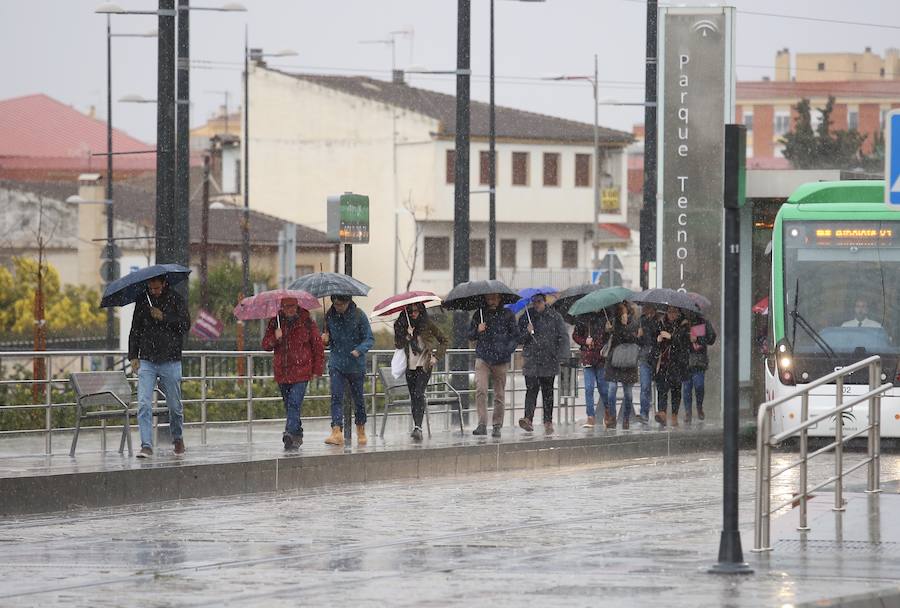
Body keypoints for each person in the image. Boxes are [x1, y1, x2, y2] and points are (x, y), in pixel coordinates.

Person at [128, 276, 191, 458]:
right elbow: (135, 329)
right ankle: (146, 444)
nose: (154, 291)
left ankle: (177, 437)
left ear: (164, 284)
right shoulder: (142, 301)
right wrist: (133, 355)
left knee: (174, 405)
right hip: (147, 359)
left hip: (170, 359)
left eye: (157, 288)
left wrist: (163, 317)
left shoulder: (176, 299)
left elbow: (185, 325)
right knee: (143, 403)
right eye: (151, 288)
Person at [262, 297, 325, 450]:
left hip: (302, 371)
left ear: (297, 306)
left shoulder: (307, 322)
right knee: (290, 406)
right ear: (281, 308)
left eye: (293, 306)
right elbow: (265, 345)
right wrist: (275, 338)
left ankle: (289, 433)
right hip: (282, 372)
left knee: (294, 403)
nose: (290, 309)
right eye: (287, 307)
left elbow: (317, 346)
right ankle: (297, 433)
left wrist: (317, 370)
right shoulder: (275, 322)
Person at [322, 295, 374, 446]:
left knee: (358, 399)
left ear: (348, 302)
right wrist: (325, 340)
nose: (338, 307)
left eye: (341, 304)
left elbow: (369, 338)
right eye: (335, 304)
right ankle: (336, 431)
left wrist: (360, 349)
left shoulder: (359, 315)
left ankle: (361, 430)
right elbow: (328, 341)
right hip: (336, 362)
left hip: (356, 365)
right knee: (336, 397)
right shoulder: (329, 316)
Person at [516, 294, 570, 435]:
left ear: (544, 302)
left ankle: (548, 421)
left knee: (548, 392)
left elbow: (563, 336)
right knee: (531, 389)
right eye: (534, 302)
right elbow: (518, 338)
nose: (536, 305)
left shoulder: (555, 317)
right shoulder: (526, 317)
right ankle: (528, 419)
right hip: (531, 360)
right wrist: (527, 332)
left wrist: (562, 355)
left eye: (539, 302)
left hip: (549, 359)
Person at [394, 302, 447, 442]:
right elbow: (398, 344)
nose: (413, 314)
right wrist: (407, 336)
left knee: (419, 393)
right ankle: (417, 427)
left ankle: (418, 427)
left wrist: (436, 357)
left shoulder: (427, 324)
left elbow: (444, 340)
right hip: (409, 366)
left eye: (416, 311)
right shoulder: (402, 326)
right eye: (411, 312)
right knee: (413, 396)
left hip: (424, 365)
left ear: (421, 311)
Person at [468, 293, 519, 438]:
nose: (492, 301)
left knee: (499, 394)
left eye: (495, 298)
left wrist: (506, 350)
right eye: (489, 298)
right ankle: (482, 424)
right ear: (485, 299)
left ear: (500, 299)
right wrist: (477, 330)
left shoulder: (508, 314)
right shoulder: (479, 314)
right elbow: (470, 335)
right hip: (483, 357)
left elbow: (515, 336)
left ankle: (497, 425)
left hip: (501, 359)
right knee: (481, 390)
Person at [653, 305, 691, 427]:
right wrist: (658, 340)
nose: (671, 314)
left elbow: (684, 343)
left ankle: (674, 414)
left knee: (676, 390)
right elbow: (655, 345)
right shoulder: (661, 323)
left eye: (674, 312)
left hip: (677, 363)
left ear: (678, 313)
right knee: (662, 389)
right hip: (663, 362)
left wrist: (671, 337)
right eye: (669, 312)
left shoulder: (684, 325)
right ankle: (662, 413)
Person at [604, 301, 640, 430]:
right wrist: (607, 331)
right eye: (619, 311)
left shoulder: (634, 323)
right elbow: (609, 341)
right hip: (614, 361)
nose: (621, 313)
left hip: (628, 361)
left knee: (628, 393)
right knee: (612, 389)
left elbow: (633, 340)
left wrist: (625, 326)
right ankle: (612, 417)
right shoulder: (613, 322)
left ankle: (625, 419)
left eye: (623, 310)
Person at [572, 311, 610, 429]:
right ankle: (590, 416)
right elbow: (575, 335)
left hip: (600, 359)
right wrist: (584, 341)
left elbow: (608, 339)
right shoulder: (582, 319)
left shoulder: (605, 318)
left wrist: (609, 331)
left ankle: (608, 411)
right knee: (589, 388)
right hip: (588, 358)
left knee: (603, 388)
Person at [681, 312, 717, 424]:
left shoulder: (703, 323)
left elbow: (711, 339)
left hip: (699, 361)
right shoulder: (682, 323)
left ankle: (699, 407)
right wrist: (684, 330)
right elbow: (676, 340)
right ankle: (688, 412)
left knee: (699, 385)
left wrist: (698, 339)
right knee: (686, 388)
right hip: (685, 361)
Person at [636, 304, 659, 424]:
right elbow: (639, 342)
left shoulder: (660, 320)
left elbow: (659, 340)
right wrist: (638, 336)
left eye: (648, 307)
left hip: (657, 358)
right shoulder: (641, 321)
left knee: (660, 386)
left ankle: (660, 412)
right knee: (645, 386)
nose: (645, 309)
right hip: (645, 357)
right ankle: (644, 413)